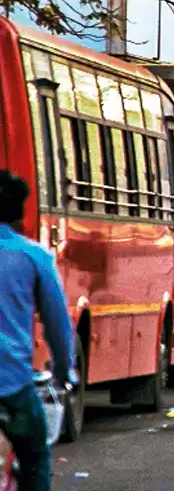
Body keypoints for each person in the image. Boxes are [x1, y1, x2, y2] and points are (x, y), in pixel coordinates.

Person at [0, 170, 75, 490]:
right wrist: (63, 370)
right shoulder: (34, 256)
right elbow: (58, 324)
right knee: (36, 458)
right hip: (11, 387)